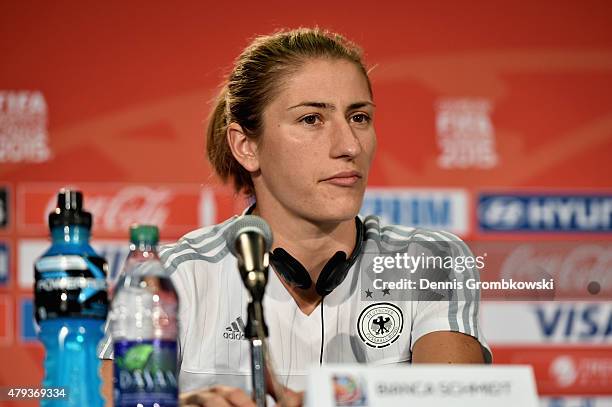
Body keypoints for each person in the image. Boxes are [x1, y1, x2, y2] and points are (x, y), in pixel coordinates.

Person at [100, 27, 491, 406]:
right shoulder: (171, 276)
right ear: (246, 146)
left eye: (359, 117)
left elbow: (453, 401)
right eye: (311, 119)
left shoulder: (427, 262)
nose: (349, 146)